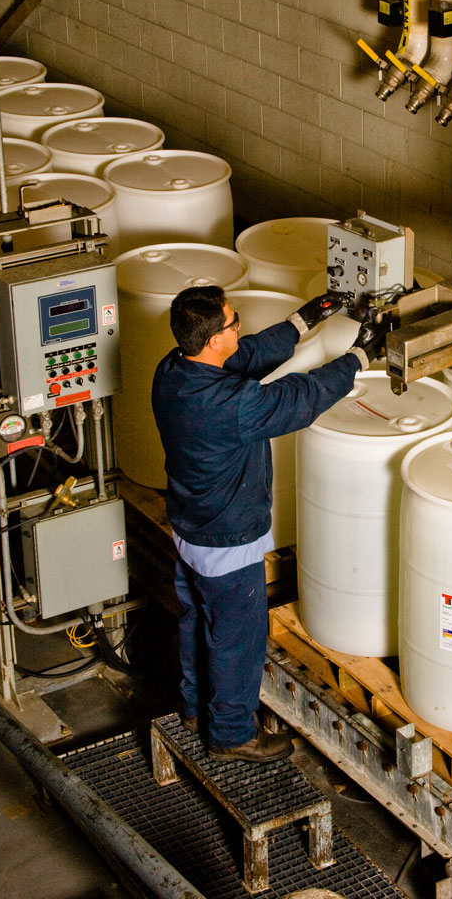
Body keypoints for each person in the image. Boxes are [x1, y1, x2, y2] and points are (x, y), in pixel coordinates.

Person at [151, 285, 387, 763]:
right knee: (237, 640)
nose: (239, 327)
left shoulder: (175, 370)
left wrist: (309, 316)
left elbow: (252, 353)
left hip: (189, 528)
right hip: (228, 540)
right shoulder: (230, 407)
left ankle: (197, 708)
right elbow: (303, 396)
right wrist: (361, 357)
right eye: (233, 322)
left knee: (198, 620)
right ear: (214, 338)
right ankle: (234, 735)